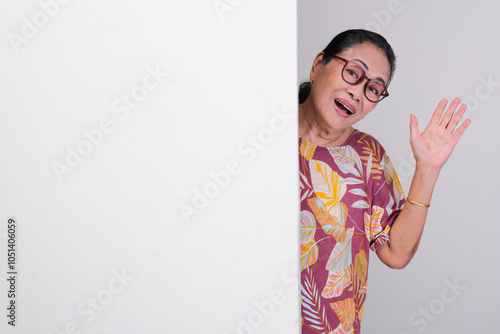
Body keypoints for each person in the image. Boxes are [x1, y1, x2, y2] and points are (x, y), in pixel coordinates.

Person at [299, 29, 470, 333]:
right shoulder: (262, 135)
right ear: (318, 65)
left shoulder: (368, 156)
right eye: (353, 73)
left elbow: (396, 252)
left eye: (373, 89)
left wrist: (427, 169)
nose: (357, 92)